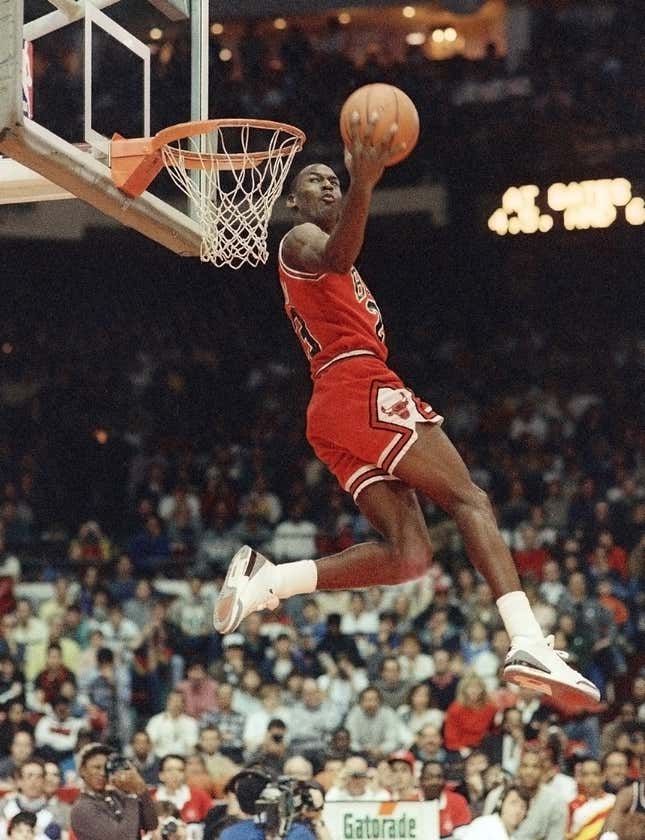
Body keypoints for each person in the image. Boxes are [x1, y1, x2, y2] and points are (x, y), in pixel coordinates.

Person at [212, 117, 599, 709]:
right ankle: (527, 639)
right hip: (356, 385)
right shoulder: (298, 243)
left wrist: (359, 186)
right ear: (291, 202)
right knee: (469, 499)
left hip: (336, 407)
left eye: (334, 181)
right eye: (315, 181)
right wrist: (365, 182)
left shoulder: (333, 263)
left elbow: (344, 257)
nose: (328, 187)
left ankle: (270, 581)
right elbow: (339, 254)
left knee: (411, 557)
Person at [70, 742, 158, 840]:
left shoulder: (117, 795)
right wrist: (130, 795)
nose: (103, 773)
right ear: (82, 770)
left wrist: (140, 787)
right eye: (97, 767)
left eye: (105, 768)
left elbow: (151, 824)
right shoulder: (82, 808)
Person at [454, 785, 529, 839]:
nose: (518, 810)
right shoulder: (484, 824)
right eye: (513, 803)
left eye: (523, 806)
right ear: (500, 804)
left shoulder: (516, 837)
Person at [420, 760, 471, 838]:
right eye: (429, 777)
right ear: (421, 780)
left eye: (439, 777)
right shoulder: (410, 803)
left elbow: (464, 835)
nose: (434, 782)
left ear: (444, 780)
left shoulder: (458, 801)